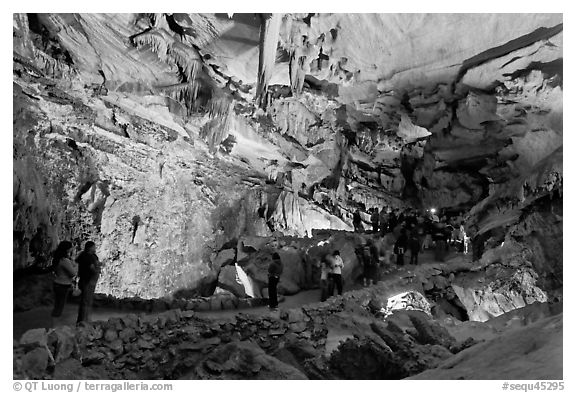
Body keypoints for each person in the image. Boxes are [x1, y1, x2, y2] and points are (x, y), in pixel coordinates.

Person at [76, 241, 102, 324]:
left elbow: (95, 264)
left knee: (88, 300)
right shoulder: (86, 256)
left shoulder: (92, 256)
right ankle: (82, 320)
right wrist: (97, 268)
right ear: (90, 248)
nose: (95, 248)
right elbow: (92, 268)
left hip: (91, 281)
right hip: (87, 280)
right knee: (86, 301)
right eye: (94, 247)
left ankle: (86, 318)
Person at [51, 241, 77, 323]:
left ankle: (53, 323)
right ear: (67, 249)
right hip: (63, 285)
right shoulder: (64, 260)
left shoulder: (57, 258)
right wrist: (76, 266)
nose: (72, 249)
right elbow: (73, 273)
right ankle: (55, 326)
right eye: (71, 247)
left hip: (57, 283)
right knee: (60, 306)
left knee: (57, 305)